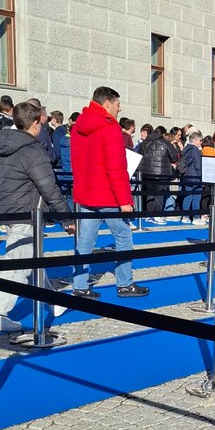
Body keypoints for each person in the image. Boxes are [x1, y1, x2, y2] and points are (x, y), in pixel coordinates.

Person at [0, 101, 74, 332]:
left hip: (8, 208)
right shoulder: (33, 151)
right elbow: (49, 188)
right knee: (18, 264)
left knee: (33, 258)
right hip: (24, 212)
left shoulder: (6, 145)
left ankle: (51, 302)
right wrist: (67, 217)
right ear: (36, 123)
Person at [71, 85, 148, 298]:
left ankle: (79, 286)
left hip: (86, 192)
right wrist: (125, 200)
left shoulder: (79, 126)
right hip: (108, 195)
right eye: (117, 104)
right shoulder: (109, 128)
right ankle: (125, 283)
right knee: (123, 236)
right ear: (107, 103)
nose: (119, 109)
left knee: (84, 242)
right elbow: (116, 168)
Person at [140, 126, 177, 223]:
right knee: (159, 194)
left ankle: (149, 215)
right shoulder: (165, 143)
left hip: (146, 172)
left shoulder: (145, 142)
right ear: (163, 134)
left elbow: (139, 155)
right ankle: (157, 216)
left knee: (150, 193)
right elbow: (174, 157)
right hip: (162, 172)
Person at [178, 129, 204, 222]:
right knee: (196, 197)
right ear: (195, 140)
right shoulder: (195, 150)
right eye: (200, 140)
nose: (201, 142)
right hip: (195, 176)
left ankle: (185, 217)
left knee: (187, 196)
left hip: (186, 175)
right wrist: (201, 177)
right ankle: (196, 218)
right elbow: (198, 165)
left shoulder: (185, 149)